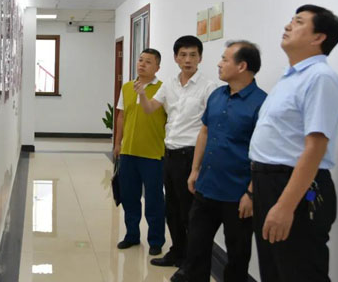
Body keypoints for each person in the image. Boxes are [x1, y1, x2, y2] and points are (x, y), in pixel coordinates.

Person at [249, 5, 338, 282]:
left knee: (299, 271)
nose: (288, 25)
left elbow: (315, 147)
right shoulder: (290, 77)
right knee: (274, 270)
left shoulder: (320, 77)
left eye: (299, 22)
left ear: (318, 37)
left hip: (297, 189)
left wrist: (285, 206)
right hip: (269, 183)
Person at [170, 41, 267, 282]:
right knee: (196, 248)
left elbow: (265, 153)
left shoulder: (262, 103)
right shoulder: (217, 95)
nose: (219, 63)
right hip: (206, 187)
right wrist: (195, 170)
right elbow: (204, 132)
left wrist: (252, 193)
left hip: (238, 194)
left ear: (242, 66)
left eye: (225, 59)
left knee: (237, 255)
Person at [136, 36, 216, 268]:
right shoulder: (169, 84)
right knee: (172, 209)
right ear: (175, 58)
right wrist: (142, 93)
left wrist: (198, 166)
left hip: (191, 155)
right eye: (183, 55)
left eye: (192, 55)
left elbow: (209, 127)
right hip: (169, 154)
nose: (187, 60)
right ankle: (177, 252)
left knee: (190, 212)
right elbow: (150, 109)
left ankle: (191, 261)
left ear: (200, 58)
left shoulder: (209, 87)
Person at [114, 48, 167, 256]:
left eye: (148, 62)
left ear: (157, 67)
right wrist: (118, 143)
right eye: (140, 60)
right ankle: (131, 235)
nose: (142, 64)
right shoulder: (127, 87)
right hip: (128, 152)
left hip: (153, 153)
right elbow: (121, 116)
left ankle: (156, 240)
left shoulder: (163, 89)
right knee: (129, 197)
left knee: (154, 199)